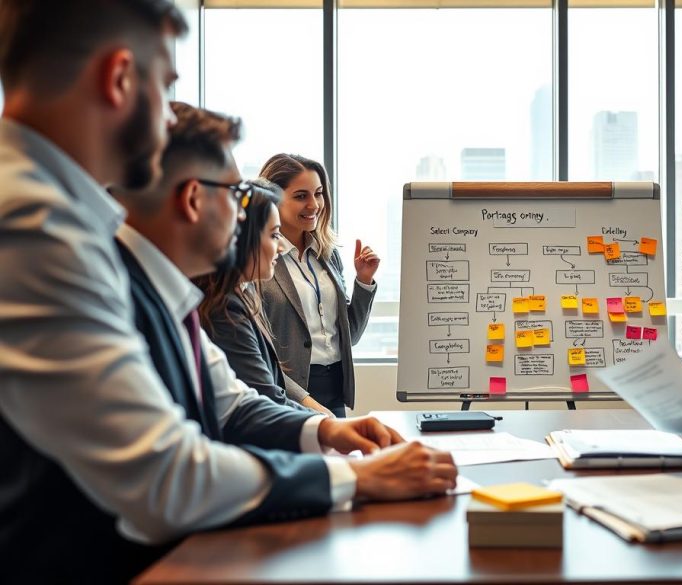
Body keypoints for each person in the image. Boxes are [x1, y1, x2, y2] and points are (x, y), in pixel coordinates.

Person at [0, 3, 449, 582]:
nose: (167, 119)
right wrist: (357, 478)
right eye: (164, 88)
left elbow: (227, 401)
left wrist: (327, 430)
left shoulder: (80, 228)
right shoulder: (37, 229)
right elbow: (166, 477)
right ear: (117, 80)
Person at [194, 177, 333, 415]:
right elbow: (266, 397)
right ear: (243, 238)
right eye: (274, 235)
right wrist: (324, 424)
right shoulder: (225, 309)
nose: (280, 247)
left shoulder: (241, 296)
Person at [260, 153, 378, 417]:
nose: (314, 204)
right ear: (273, 199)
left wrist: (364, 281)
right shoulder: (261, 259)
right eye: (301, 196)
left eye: (319, 193)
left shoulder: (328, 253)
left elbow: (352, 336)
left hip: (335, 388)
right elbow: (258, 351)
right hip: (286, 392)